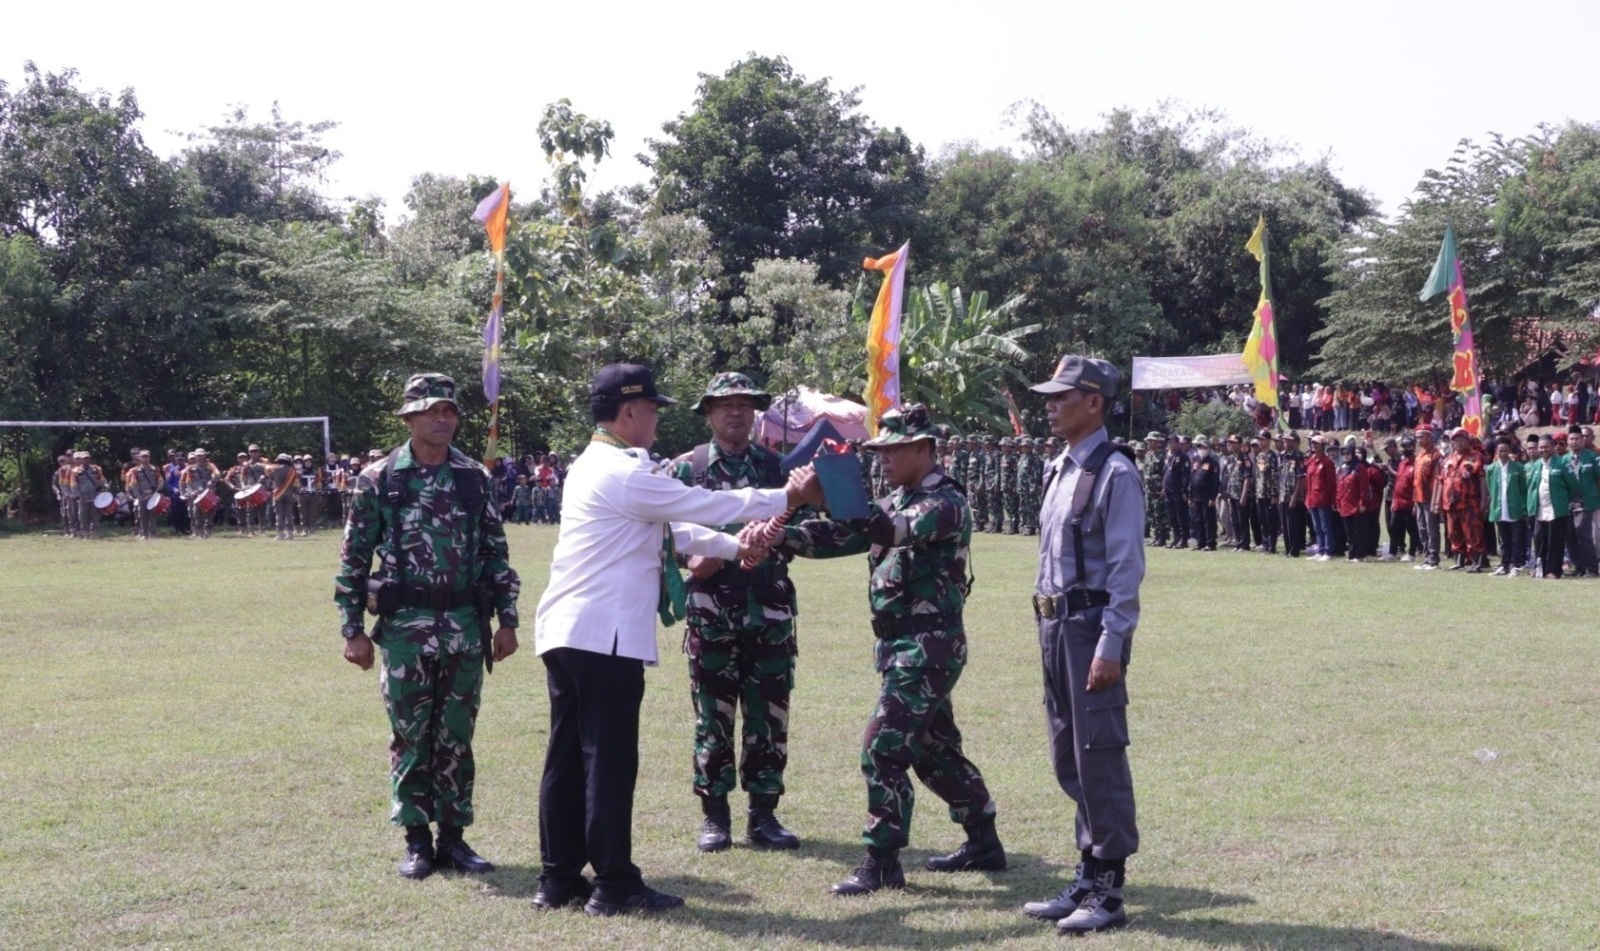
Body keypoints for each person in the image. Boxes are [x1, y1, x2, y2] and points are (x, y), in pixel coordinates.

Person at [531, 363, 818, 916]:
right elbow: (703, 506)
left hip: (574, 632)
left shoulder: (598, 466)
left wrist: (737, 550)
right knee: (608, 762)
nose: (658, 419)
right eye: (654, 409)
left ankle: (559, 877)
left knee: (567, 760)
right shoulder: (622, 471)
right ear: (630, 411)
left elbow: (672, 530)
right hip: (603, 637)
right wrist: (785, 495)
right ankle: (614, 884)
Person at [772, 403, 1003, 896]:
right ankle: (983, 840)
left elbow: (886, 530)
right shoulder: (898, 497)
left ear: (924, 449)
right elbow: (843, 535)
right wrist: (782, 536)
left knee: (883, 746)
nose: (883, 459)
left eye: (894, 450)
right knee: (935, 752)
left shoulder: (944, 503)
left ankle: (882, 860)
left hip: (929, 644)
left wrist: (831, 490)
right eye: (878, 451)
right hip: (901, 644)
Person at [334, 372, 521, 881]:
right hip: (404, 628)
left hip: (464, 625)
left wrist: (508, 620)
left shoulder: (472, 477)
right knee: (411, 735)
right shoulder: (379, 478)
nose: (442, 419)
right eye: (431, 411)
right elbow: (353, 558)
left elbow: (494, 551)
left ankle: (455, 839)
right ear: (410, 417)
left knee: (457, 735)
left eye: (450, 411)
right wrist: (351, 628)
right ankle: (417, 841)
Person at [1019, 356, 1144, 935]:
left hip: (1090, 627)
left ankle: (1110, 891)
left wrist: (1111, 644)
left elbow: (1124, 570)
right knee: (1069, 752)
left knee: (1099, 752)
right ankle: (1088, 874)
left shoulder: (1114, 472)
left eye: (1062, 395)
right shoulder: (1059, 468)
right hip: (1054, 625)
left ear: (1094, 402)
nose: (1049, 403)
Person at [669, 372, 803, 854]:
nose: (736, 412)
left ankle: (764, 817)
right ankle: (715, 817)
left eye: (745, 404)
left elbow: (801, 529)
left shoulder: (776, 467)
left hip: (769, 611)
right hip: (712, 613)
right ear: (708, 412)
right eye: (725, 404)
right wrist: (692, 559)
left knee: (770, 717)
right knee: (713, 716)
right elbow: (661, 534)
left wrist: (781, 539)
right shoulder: (688, 469)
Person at [1526, 435, 1580, 579]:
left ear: (1553, 447)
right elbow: (1531, 488)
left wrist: (1564, 501)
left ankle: (1554, 571)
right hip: (1539, 509)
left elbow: (1573, 485)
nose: (1543, 450)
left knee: (1555, 541)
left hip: (1557, 509)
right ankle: (1540, 569)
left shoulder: (1562, 463)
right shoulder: (1536, 465)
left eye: (1546, 447)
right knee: (1539, 540)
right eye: (1541, 447)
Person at [1439, 428, 1487, 571]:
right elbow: (1442, 480)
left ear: (1468, 441)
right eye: (1456, 441)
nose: (1458, 443)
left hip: (1469, 502)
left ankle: (1476, 562)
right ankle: (1459, 560)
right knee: (1453, 532)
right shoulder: (1447, 459)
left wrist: (1484, 499)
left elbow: (1482, 479)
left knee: (1473, 532)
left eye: (1461, 440)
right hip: (1450, 502)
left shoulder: (1476, 457)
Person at [1486, 437, 1528, 576]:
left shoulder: (1518, 468)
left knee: (1517, 539)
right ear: (1496, 452)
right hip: (1499, 509)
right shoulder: (1491, 469)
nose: (1503, 453)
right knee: (1503, 540)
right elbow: (1490, 488)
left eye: (1506, 451)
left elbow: (1523, 489)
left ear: (1510, 451)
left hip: (1514, 508)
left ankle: (1515, 565)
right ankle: (1504, 565)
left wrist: (1523, 507)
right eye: (1500, 451)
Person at [71, 451, 106, 539]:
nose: (86, 460)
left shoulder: (96, 469)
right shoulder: (75, 471)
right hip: (83, 496)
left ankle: (94, 533)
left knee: (95, 515)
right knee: (83, 515)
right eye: (84, 459)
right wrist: (78, 496)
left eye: (87, 458)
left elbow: (102, 479)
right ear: (81, 460)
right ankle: (85, 533)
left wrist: (103, 485)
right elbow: (73, 485)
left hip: (95, 495)